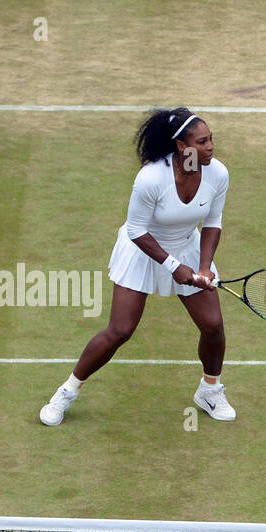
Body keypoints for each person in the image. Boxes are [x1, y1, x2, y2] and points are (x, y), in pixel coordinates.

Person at [41, 107, 235, 426]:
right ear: (182, 146)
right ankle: (66, 392)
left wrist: (203, 266)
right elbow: (136, 230)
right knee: (120, 330)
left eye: (211, 139)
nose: (211, 146)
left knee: (213, 325)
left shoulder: (218, 173)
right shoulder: (151, 178)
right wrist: (174, 266)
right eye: (202, 141)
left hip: (186, 246)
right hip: (143, 250)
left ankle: (210, 391)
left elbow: (213, 222)